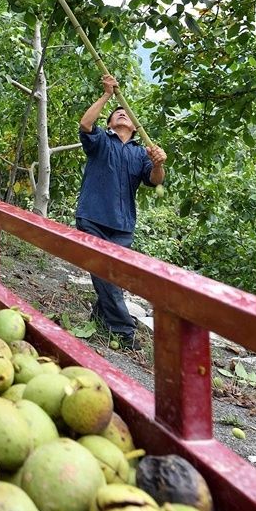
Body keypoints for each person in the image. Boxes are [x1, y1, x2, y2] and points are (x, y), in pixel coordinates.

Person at [75, 72, 166, 350]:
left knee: (110, 275)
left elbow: (155, 180)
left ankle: (100, 317)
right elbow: (85, 124)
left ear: (136, 128)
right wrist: (106, 95)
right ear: (110, 123)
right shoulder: (102, 140)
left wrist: (159, 163)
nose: (121, 114)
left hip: (123, 225)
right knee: (104, 271)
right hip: (93, 216)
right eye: (117, 113)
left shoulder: (141, 153)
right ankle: (125, 331)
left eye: (126, 113)